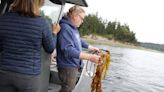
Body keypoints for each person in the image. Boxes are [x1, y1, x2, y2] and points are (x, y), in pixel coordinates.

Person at [0, 0, 60, 92]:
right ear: (38, 4)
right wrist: (54, 33)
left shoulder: (3, 19)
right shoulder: (42, 23)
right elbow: (50, 48)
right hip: (29, 76)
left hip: (4, 73)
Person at [56, 5, 103, 92]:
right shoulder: (65, 28)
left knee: (69, 88)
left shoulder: (73, 28)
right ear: (74, 16)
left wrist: (91, 47)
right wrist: (90, 57)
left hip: (73, 65)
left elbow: (78, 41)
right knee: (67, 90)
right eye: (82, 18)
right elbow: (68, 50)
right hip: (67, 67)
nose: (82, 21)